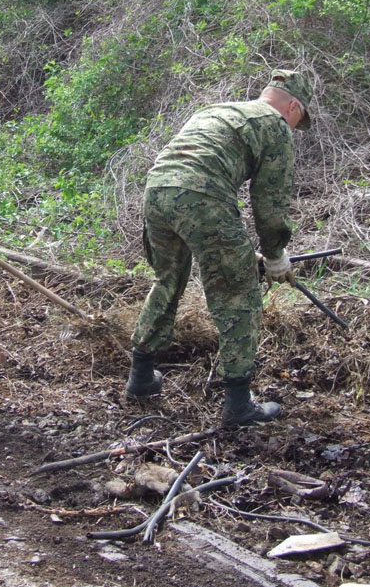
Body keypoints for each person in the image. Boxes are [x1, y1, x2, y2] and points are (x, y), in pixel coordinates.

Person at [125, 69, 313, 426]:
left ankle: (141, 377)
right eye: (298, 120)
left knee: (168, 279)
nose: (293, 127)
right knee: (238, 291)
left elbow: (199, 171)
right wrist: (275, 255)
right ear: (293, 107)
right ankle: (239, 405)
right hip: (201, 195)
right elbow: (270, 202)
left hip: (157, 191)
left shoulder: (219, 110)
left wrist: (238, 249)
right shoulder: (274, 125)